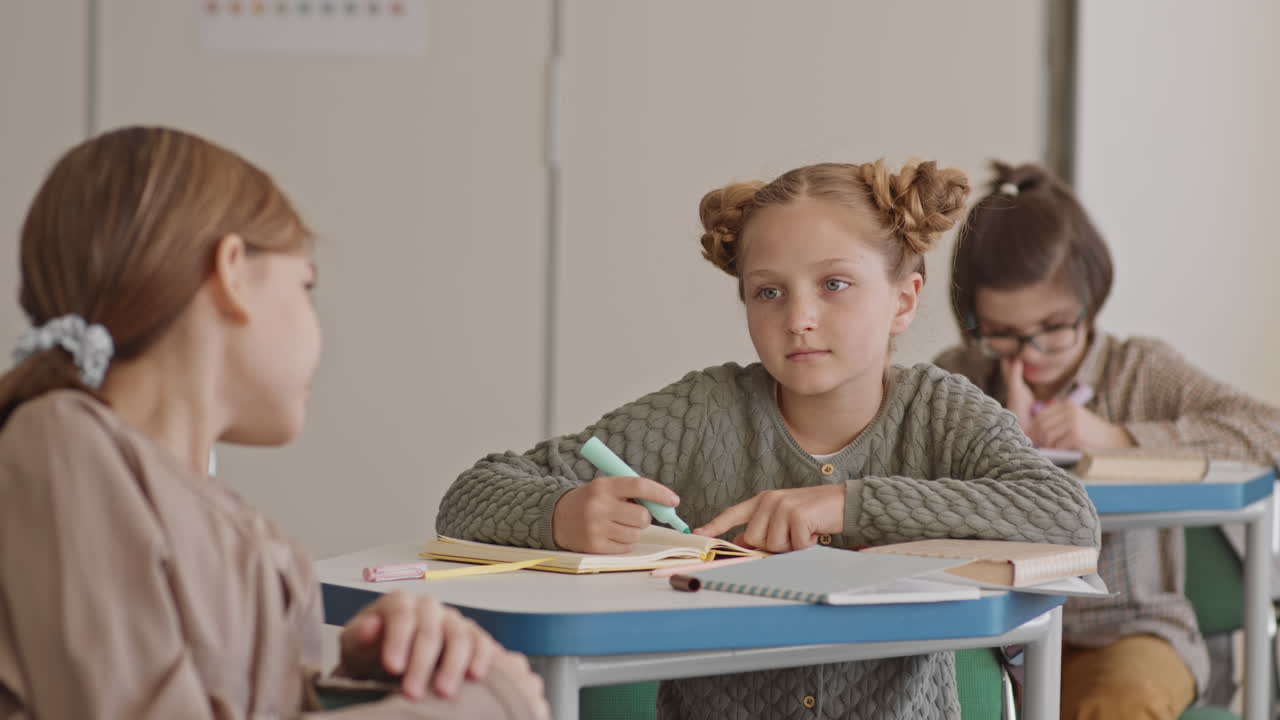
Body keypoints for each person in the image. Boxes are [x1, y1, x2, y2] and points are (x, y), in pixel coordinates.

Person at [437, 159, 1099, 720]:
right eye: (768, 293)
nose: (800, 319)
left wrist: (843, 506)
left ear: (904, 299)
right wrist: (561, 515)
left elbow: (1068, 519)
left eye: (835, 285)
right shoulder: (705, 412)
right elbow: (472, 495)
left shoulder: (940, 410)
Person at [0, 126, 549, 719]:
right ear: (233, 272)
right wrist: (486, 703)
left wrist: (361, 679)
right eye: (305, 285)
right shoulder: (62, 449)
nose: (319, 328)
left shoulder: (219, 517)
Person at [934, 161, 1280, 718]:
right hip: (998, 632)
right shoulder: (961, 376)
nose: (1030, 355)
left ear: (1090, 302)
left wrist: (1119, 437)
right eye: (1001, 334)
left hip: (1129, 630)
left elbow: (1269, 430)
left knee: (1123, 700)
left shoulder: (1138, 370)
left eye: (1052, 329)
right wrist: (997, 440)